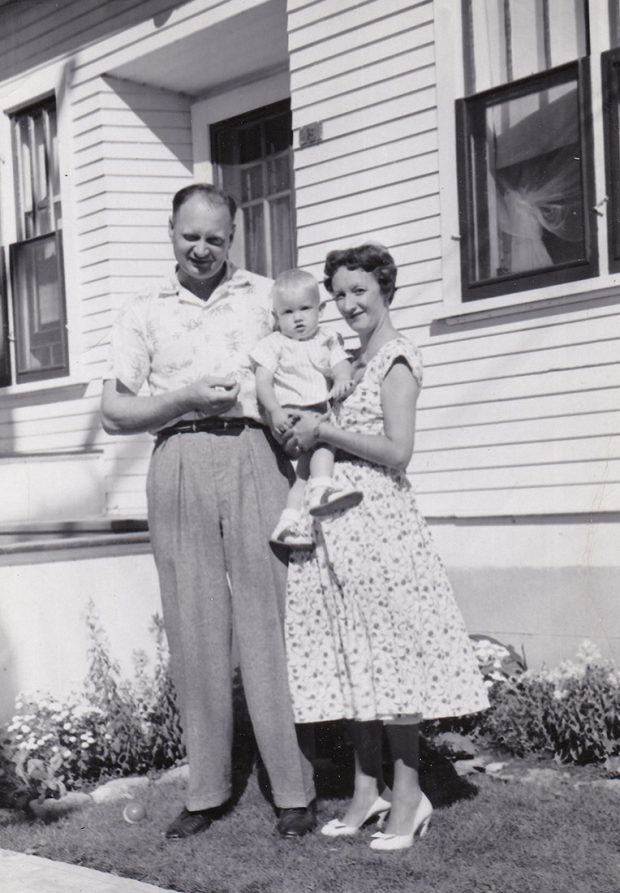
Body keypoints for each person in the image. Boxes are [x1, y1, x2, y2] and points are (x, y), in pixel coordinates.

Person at [100, 183, 316, 840]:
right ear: (170, 232)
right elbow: (114, 411)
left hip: (256, 455)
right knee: (195, 624)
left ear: (233, 238)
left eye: (215, 238)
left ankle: (293, 787)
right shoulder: (142, 311)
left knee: (268, 617)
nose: (202, 249)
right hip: (180, 457)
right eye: (190, 235)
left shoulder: (261, 296)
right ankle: (207, 789)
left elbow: (308, 362)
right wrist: (187, 397)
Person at [282, 244, 489, 852]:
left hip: (381, 525)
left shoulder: (397, 358)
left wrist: (324, 429)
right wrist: (307, 431)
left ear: (385, 290)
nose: (347, 306)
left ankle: (409, 794)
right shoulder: (348, 360)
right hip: (338, 527)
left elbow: (398, 450)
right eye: (339, 295)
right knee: (355, 657)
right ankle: (365, 788)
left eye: (359, 293)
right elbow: (329, 438)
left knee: (392, 660)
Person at [251, 268, 362, 549]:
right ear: (276, 317)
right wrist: (274, 410)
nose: (298, 318)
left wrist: (342, 378)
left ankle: (287, 523)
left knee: (303, 471)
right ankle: (322, 490)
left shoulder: (326, 338)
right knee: (325, 442)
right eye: (288, 312)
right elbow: (262, 382)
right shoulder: (274, 344)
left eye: (305, 309)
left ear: (320, 310)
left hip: (316, 407)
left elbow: (340, 363)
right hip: (290, 412)